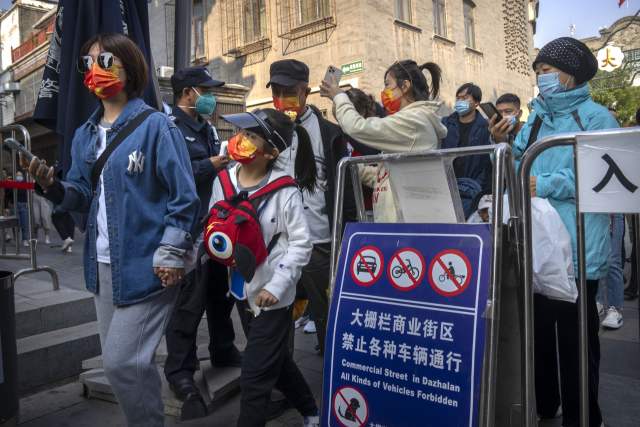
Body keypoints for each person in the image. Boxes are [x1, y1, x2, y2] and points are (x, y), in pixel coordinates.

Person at [22, 33, 199, 427]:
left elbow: (184, 198)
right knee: (128, 366)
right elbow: (81, 194)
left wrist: (170, 252)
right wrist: (52, 187)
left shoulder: (156, 127)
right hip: (100, 269)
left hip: (148, 265)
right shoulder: (85, 135)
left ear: (129, 65)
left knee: (120, 363)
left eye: (105, 60)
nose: (94, 70)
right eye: (87, 63)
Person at [493, 37, 617, 427]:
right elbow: (519, 170)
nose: (541, 78)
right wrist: (504, 145)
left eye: (547, 71)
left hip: (578, 248)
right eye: (538, 72)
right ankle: (546, 405)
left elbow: (602, 176)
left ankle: (583, 417)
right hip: (538, 246)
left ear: (572, 73)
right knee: (541, 337)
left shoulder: (598, 118)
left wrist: (540, 182)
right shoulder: (537, 118)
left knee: (577, 343)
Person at [184, 108, 320, 427]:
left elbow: (302, 243)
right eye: (241, 132)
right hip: (243, 291)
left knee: (255, 376)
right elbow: (214, 229)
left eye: (251, 135)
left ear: (271, 151)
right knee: (276, 361)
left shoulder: (285, 190)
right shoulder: (224, 181)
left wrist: (277, 285)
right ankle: (311, 411)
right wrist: (185, 261)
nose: (240, 140)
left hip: (274, 296)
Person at [268, 59, 357, 356]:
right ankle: (283, 386)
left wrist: (345, 233)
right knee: (278, 316)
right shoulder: (264, 129)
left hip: (319, 240)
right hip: (276, 241)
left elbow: (344, 187)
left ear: (306, 92)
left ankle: (332, 373)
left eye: (289, 92)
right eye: (276, 91)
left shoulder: (330, 134)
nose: (281, 99)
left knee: (325, 312)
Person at [163, 66, 241, 403]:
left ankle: (223, 350)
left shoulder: (205, 128)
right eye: (204, 90)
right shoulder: (170, 128)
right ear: (187, 93)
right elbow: (175, 176)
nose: (211, 97)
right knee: (188, 305)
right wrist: (214, 164)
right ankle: (180, 371)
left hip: (215, 229)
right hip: (189, 232)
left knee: (219, 298)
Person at [320, 59, 448, 224]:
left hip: (405, 224)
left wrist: (339, 97)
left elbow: (358, 127)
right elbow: (385, 175)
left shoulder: (414, 120)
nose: (384, 91)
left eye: (387, 85)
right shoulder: (412, 119)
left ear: (405, 86)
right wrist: (352, 168)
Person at [332, 88, 384, 222]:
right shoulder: (341, 136)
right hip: (349, 207)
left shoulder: (372, 135)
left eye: (345, 110)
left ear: (360, 112)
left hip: (370, 208)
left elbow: (379, 173)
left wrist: (352, 170)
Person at [441, 83, 491, 217]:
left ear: (476, 102)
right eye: (458, 98)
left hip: (471, 193)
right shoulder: (445, 123)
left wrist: (473, 187)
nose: (459, 101)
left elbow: (487, 164)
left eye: (464, 97)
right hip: (446, 188)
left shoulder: (486, 127)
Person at [597, 214, 625, 328]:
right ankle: (597, 301)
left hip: (613, 210)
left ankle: (615, 308)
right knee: (595, 258)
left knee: (613, 260)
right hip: (595, 209)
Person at [50, 162, 76, 252]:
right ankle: (69, 245)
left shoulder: (54, 168)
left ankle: (66, 238)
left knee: (56, 217)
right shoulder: (71, 165)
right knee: (70, 218)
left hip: (60, 195)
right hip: (72, 193)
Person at [6, 171, 29, 247]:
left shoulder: (25, 185)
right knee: (16, 224)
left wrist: (27, 202)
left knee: (24, 224)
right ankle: (16, 237)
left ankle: (25, 240)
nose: (19, 177)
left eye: (20, 175)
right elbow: (7, 196)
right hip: (14, 205)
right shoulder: (11, 185)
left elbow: (27, 195)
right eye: (18, 175)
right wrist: (6, 207)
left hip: (23, 205)